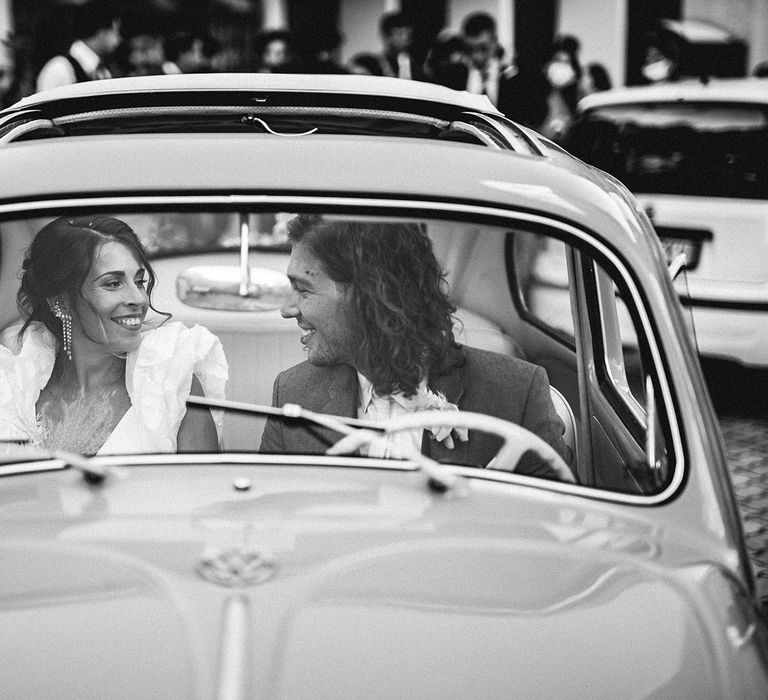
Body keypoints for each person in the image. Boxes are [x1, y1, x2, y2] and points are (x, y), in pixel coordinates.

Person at [260, 216, 572, 481]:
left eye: (303, 289)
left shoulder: (516, 394)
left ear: (368, 297)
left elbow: (554, 535)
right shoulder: (293, 395)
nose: (287, 309)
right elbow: (270, 526)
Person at [0, 216, 228, 455]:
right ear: (62, 301)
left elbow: (203, 488)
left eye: (139, 281)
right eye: (113, 284)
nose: (139, 299)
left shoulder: (171, 382)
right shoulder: (14, 383)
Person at [35, 0, 123, 92]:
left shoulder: (103, 72)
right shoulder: (60, 69)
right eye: (116, 32)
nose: (119, 39)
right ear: (102, 33)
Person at [348, 11, 422, 80]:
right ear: (385, 36)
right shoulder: (367, 62)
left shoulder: (413, 66)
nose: (405, 38)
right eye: (399, 34)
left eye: (408, 34)